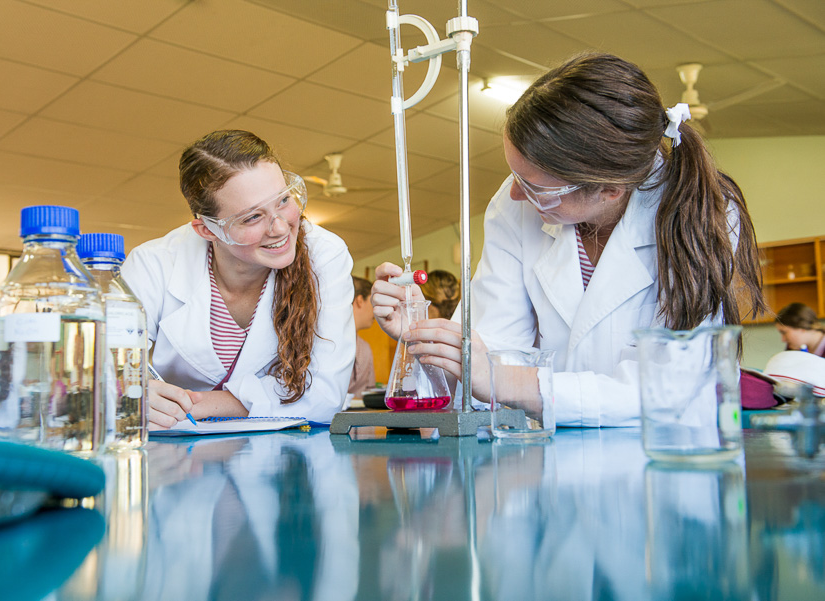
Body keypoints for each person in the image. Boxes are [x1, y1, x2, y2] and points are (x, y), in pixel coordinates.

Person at [371, 52, 765, 427]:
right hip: (545, 460)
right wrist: (426, 336)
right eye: (515, 175)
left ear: (609, 189)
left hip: (659, 467)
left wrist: (511, 383)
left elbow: (674, 386)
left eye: (536, 186)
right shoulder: (515, 208)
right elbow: (487, 359)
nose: (514, 194)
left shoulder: (703, 213)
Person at [122, 130, 356, 427]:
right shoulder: (153, 264)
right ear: (208, 230)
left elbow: (324, 396)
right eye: (252, 217)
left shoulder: (324, 253)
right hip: (178, 457)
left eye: (284, 200)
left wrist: (196, 404)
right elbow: (105, 374)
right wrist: (132, 394)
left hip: (279, 457)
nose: (281, 228)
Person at [348, 276, 376, 396]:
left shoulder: (365, 348)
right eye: (373, 302)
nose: (376, 310)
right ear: (360, 300)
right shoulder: (323, 342)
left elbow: (370, 391)